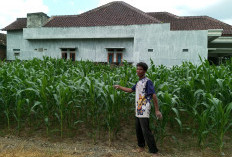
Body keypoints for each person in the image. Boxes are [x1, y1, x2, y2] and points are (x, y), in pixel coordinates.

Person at [113, 62, 162, 157]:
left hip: (144, 109)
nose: (138, 71)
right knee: (138, 129)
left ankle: (154, 151)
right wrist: (119, 87)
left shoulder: (148, 81)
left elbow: (154, 95)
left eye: (140, 69)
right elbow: (130, 90)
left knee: (146, 130)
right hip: (138, 109)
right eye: (137, 69)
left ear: (145, 71)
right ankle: (141, 147)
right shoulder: (139, 82)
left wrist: (157, 110)